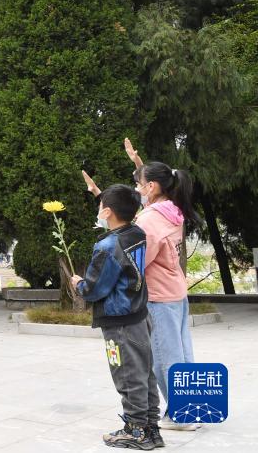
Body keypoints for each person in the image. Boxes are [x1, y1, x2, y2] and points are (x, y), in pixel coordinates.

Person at [72, 184, 160, 450]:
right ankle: (150, 428)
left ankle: (136, 431)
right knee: (144, 374)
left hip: (120, 323)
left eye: (100, 206)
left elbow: (95, 289)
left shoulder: (107, 246)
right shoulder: (137, 233)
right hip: (139, 315)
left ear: (108, 211)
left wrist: (79, 284)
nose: (98, 210)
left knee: (128, 376)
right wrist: (98, 192)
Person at [135, 159, 199, 431]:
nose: (136, 189)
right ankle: (193, 409)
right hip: (176, 291)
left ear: (151, 186)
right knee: (182, 353)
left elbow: (140, 260)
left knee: (164, 357)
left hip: (159, 295)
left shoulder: (150, 218)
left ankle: (180, 415)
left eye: (139, 184)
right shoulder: (173, 210)